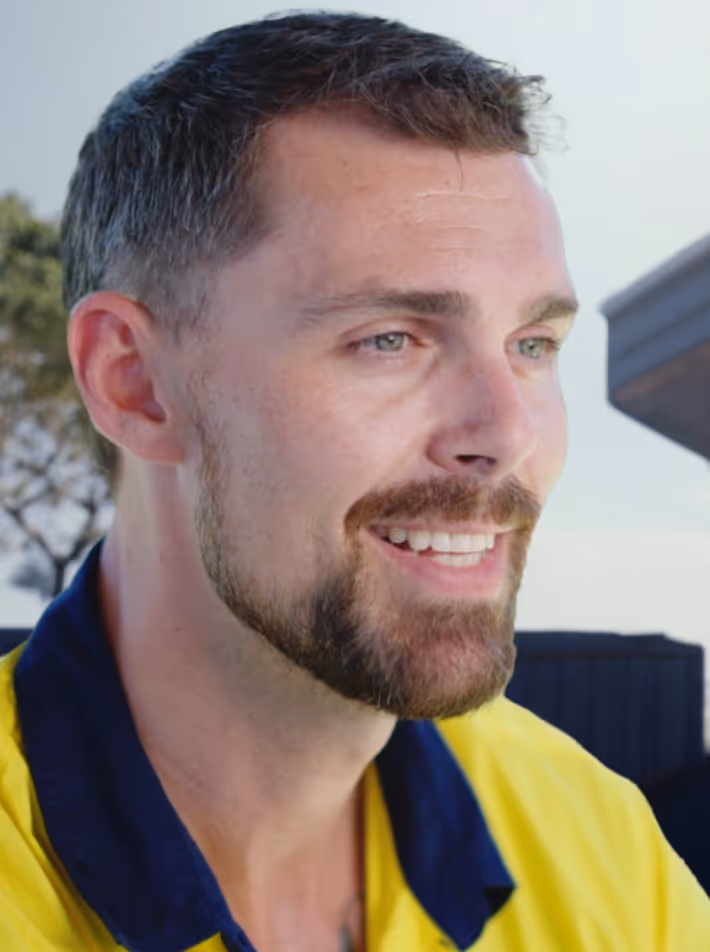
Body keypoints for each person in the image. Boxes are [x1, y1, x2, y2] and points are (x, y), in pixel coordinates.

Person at [0, 11, 707, 952]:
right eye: (390, 340)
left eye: (533, 345)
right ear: (135, 382)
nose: (508, 434)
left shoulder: (602, 851)